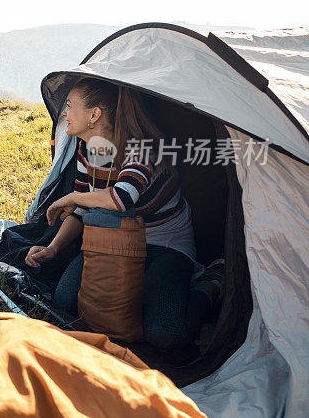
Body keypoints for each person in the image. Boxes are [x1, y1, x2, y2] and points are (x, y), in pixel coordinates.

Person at [25, 77, 224, 349]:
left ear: (94, 115)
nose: (64, 113)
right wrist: (53, 248)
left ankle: (209, 284)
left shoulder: (138, 148)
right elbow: (81, 212)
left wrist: (72, 197)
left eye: (70, 106)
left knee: (166, 334)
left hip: (164, 244)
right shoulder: (87, 149)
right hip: (113, 240)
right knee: (65, 301)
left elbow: (120, 198)